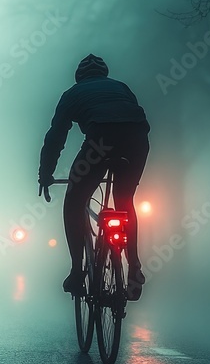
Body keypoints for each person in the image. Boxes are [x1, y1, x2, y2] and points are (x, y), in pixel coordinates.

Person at [38, 54, 151, 300]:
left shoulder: (72, 94)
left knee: (74, 201)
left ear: (79, 78)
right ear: (105, 74)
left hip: (100, 142)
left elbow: (56, 137)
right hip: (137, 141)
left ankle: (77, 272)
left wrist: (45, 174)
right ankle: (134, 268)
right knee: (125, 200)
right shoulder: (121, 87)